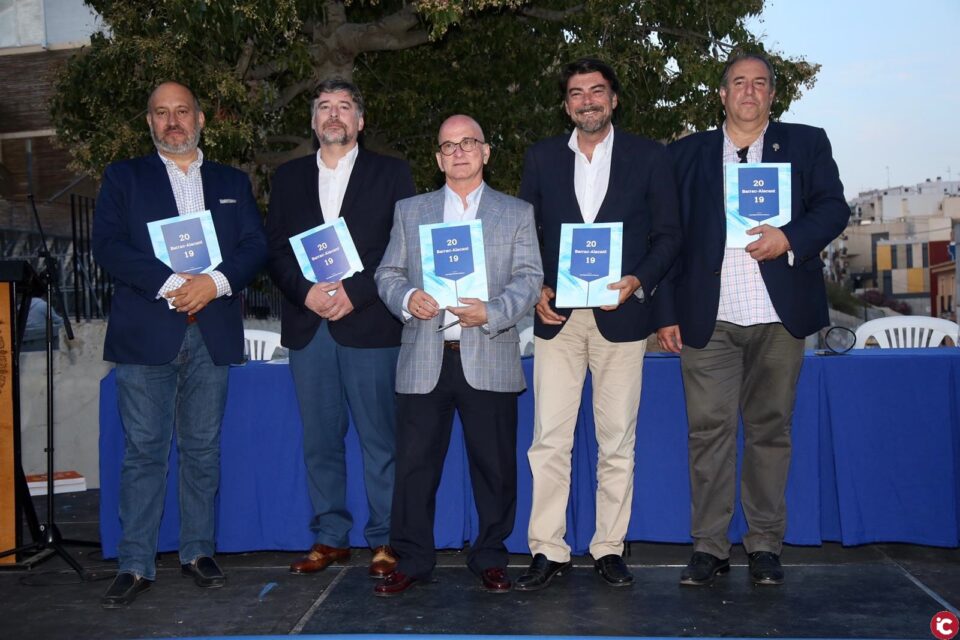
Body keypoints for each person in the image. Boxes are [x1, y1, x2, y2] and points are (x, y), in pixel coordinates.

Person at [655, 52, 849, 586]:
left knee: (769, 432)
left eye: (759, 83)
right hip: (707, 318)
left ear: (772, 95)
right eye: (738, 83)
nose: (749, 91)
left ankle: (765, 546)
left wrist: (790, 238)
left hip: (778, 318)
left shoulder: (807, 143)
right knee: (708, 433)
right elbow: (669, 238)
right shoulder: (687, 154)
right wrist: (665, 312)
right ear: (722, 94)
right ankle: (709, 547)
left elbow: (834, 209)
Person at [92, 81, 268, 607]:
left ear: (200, 120)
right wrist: (175, 285)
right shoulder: (123, 178)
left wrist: (211, 284)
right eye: (162, 113)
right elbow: (109, 247)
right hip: (147, 333)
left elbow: (254, 247)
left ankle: (198, 550)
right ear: (149, 123)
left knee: (202, 450)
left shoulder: (232, 181)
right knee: (144, 452)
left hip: (210, 332)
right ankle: (135, 562)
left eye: (182, 111)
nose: (173, 121)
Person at [516, 58, 681, 590]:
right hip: (557, 319)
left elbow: (669, 235)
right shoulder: (540, 158)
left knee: (617, 442)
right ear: (566, 104)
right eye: (576, 93)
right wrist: (538, 283)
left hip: (622, 318)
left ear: (613, 99)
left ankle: (608, 546)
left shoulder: (650, 157)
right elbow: (526, 233)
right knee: (549, 441)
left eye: (597, 91)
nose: (587, 100)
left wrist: (637, 280)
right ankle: (548, 549)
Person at [373, 115, 543, 596]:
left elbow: (530, 279)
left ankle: (490, 556)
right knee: (413, 469)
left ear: (486, 152)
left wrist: (490, 312)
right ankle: (412, 559)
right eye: (448, 146)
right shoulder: (411, 210)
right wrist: (408, 298)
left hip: (487, 351)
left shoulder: (516, 212)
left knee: (494, 467)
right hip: (425, 356)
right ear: (438, 159)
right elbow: (387, 274)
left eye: (468, 142)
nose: (459, 152)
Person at [266, 79, 415, 578]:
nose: (334, 115)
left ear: (360, 121)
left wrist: (356, 293)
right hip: (310, 326)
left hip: (369, 324)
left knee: (380, 440)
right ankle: (330, 536)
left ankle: (384, 538)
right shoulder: (287, 178)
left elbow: (400, 246)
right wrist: (304, 292)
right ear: (313, 123)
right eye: (325, 108)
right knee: (319, 440)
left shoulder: (392, 174)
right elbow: (276, 250)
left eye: (345, 107)